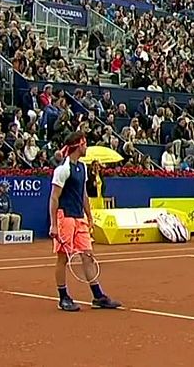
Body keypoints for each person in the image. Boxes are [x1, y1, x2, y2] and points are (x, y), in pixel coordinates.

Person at [49, 131, 121, 312]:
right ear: (77, 146)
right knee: (63, 257)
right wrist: (54, 224)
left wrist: (89, 216)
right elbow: (54, 197)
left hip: (79, 217)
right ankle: (63, 297)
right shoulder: (63, 169)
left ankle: (98, 296)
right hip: (65, 216)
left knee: (88, 255)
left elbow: (83, 194)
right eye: (84, 144)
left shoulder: (82, 167)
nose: (86, 147)